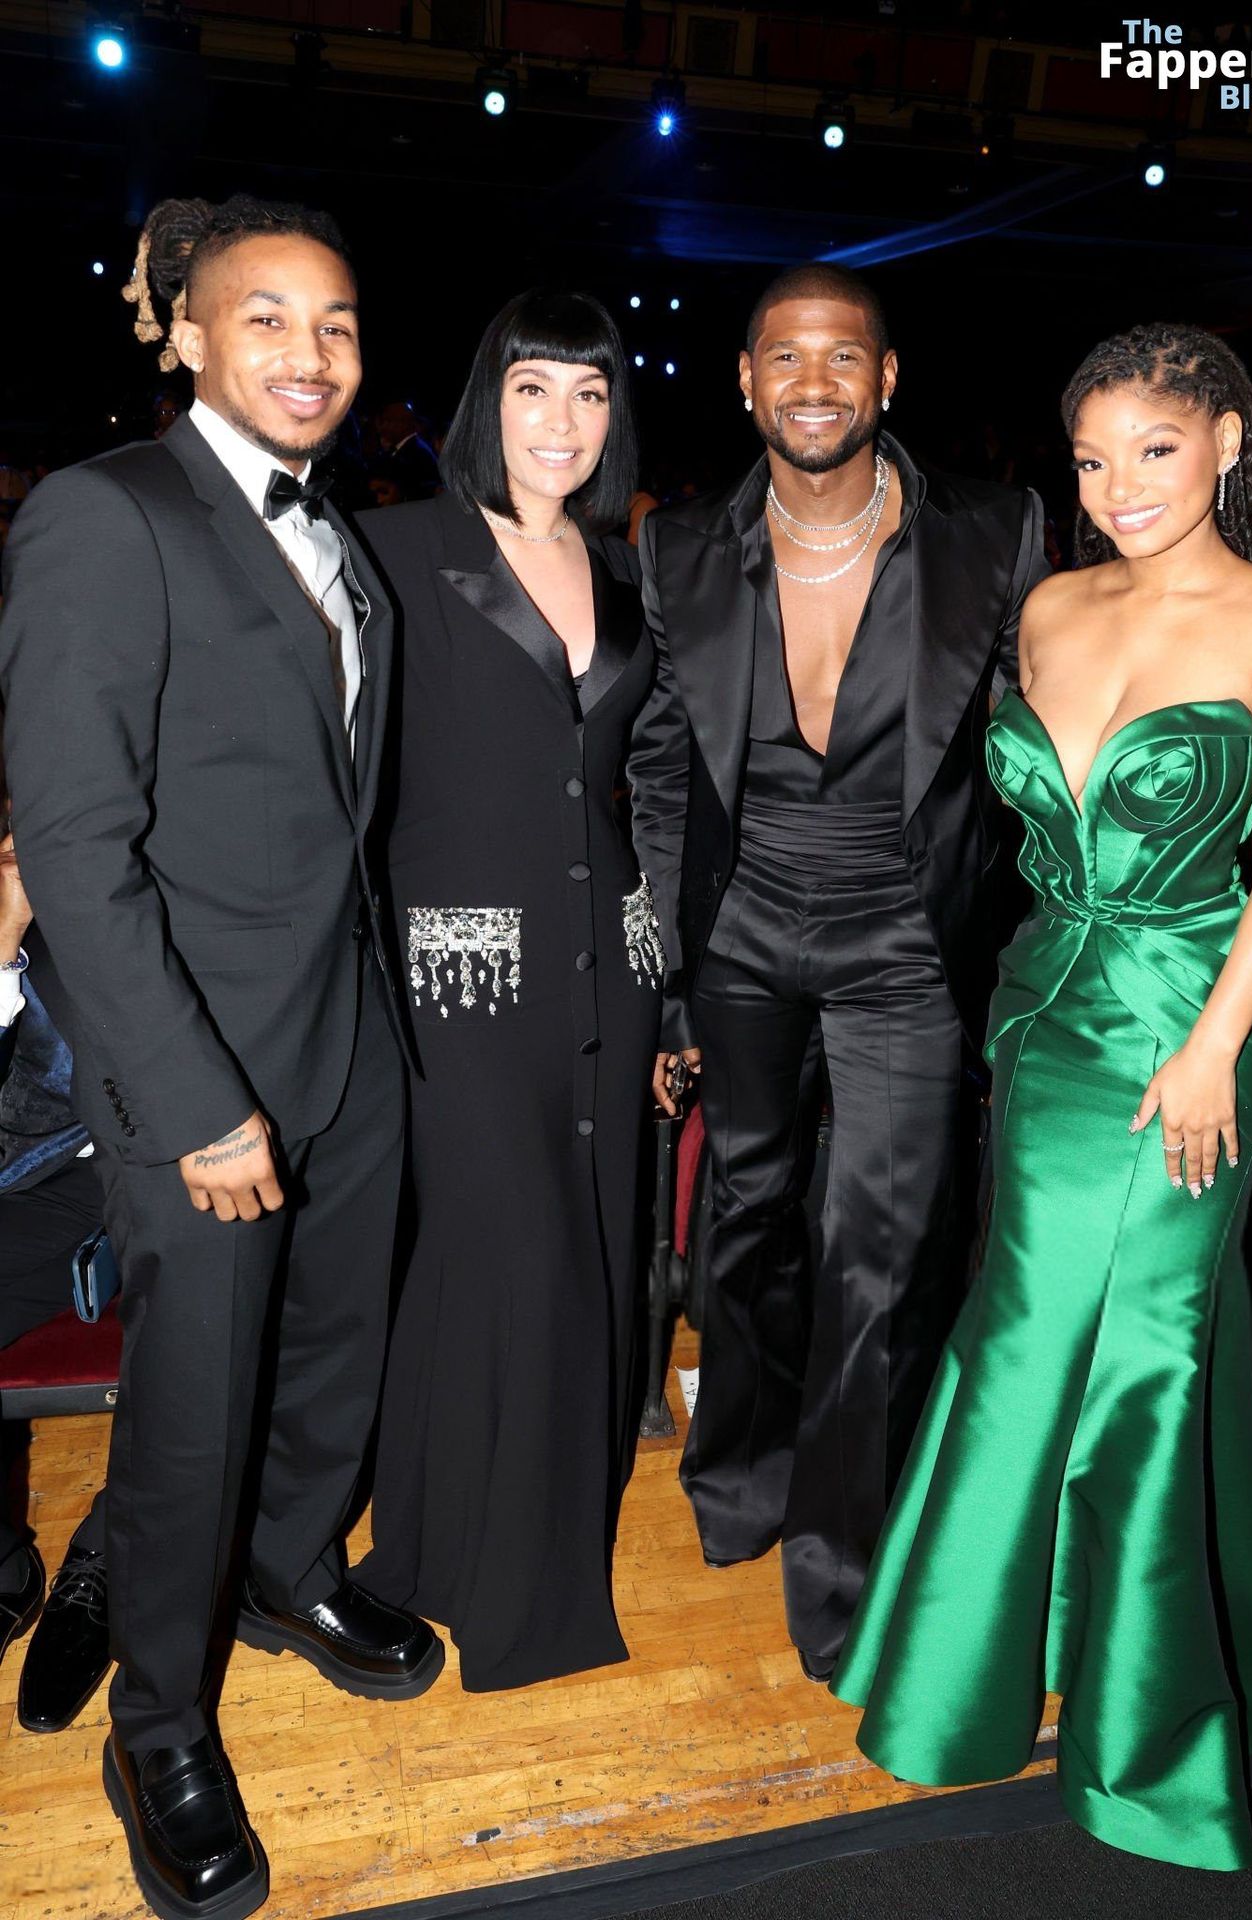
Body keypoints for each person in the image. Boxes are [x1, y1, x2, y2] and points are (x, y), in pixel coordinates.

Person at [834, 322, 1252, 1870]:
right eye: (1090, 458)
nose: (1118, 485)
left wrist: (1211, 1046)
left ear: (1228, 445)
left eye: (1154, 449)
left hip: (1202, 1016)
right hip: (1044, 1012)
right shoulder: (1055, 607)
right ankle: (1193, 1640)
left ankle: (1141, 1739)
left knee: (1134, 1345)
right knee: (1047, 1319)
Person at [0, 194, 441, 1920]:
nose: (310, 355)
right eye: (266, 319)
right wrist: (193, 1102)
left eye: (336, 324)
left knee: (336, 1351)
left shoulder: (341, 529)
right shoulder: (107, 515)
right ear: (184, 333)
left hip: (350, 1034)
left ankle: (288, 1568)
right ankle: (161, 1729)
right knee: (191, 1414)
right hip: (197, 1065)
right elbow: (77, 850)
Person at [627, 263, 1049, 1681]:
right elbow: (664, 775)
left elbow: (1055, 717)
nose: (814, 383)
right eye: (785, 356)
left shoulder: (996, 531)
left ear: (887, 378)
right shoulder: (677, 547)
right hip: (738, 930)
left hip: (906, 938)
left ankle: (846, 1546)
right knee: (746, 1212)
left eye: (843, 356)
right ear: (745, 379)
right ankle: (740, 1467)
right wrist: (674, 978)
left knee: (884, 1242)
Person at [353, 290, 660, 1690]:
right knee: (504, 1250)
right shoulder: (397, 551)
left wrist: (674, 979)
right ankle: (500, 1585)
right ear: (489, 399)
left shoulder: (625, 567)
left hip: (609, 957)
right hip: (461, 962)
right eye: (535, 388)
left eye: (590, 394)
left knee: (591, 1241)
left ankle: (467, 1545)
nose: (562, 421)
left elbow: (646, 778)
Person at [0, 805, 111, 1734]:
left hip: (181, 1150)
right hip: (40, 1169)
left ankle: (106, 1562)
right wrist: (3, 945)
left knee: (210, 1317)